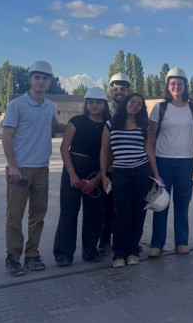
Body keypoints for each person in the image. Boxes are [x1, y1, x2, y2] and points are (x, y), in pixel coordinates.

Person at [2, 60, 63, 276]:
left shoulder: (49, 106)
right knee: (15, 216)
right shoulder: (17, 105)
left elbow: (55, 126)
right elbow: (7, 136)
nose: (41, 81)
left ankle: (32, 254)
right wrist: (12, 166)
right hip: (20, 169)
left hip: (41, 169)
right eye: (37, 77)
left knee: (38, 215)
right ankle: (13, 256)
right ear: (30, 79)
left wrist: (80, 125)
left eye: (45, 78)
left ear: (50, 82)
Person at [100, 92, 162, 267]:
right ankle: (119, 253)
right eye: (132, 102)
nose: (135, 105)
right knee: (121, 214)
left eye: (139, 104)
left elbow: (149, 150)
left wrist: (156, 174)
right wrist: (104, 175)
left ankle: (133, 251)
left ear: (141, 109)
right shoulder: (111, 124)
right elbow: (104, 150)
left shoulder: (144, 125)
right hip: (120, 173)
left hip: (141, 172)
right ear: (126, 103)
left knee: (138, 213)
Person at [53, 87, 110, 266]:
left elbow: (109, 154)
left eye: (98, 102)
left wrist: (98, 178)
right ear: (86, 104)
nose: (94, 106)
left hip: (97, 169)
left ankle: (90, 251)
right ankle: (64, 254)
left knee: (94, 214)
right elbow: (64, 148)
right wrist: (72, 174)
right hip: (74, 167)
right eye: (91, 102)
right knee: (68, 213)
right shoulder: (76, 121)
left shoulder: (109, 124)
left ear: (104, 104)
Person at [147, 67, 193, 256]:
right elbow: (151, 138)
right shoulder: (160, 108)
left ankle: (182, 241)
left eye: (180, 83)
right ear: (168, 87)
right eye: (172, 83)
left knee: (182, 202)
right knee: (161, 202)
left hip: (185, 162)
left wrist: (188, 155)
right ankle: (157, 243)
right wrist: (154, 167)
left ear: (185, 86)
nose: (176, 86)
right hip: (163, 161)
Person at [98, 72, 131, 255]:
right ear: (110, 90)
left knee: (126, 207)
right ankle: (104, 241)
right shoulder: (104, 110)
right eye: (115, 89)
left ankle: (126, 239)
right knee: (108, 206)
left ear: (129, 90)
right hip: (109, 167)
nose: (119, 92)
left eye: (123, 89)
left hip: (128, 166)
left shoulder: (134, 109)